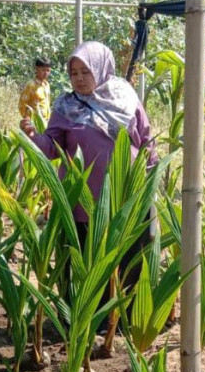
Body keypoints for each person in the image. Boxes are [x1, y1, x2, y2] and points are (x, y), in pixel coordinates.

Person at [20, 42, 157, 301]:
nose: (80, 79)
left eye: (86, 71)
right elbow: (52, 148)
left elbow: (146, 138)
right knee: (87, 260)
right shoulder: (65, 106)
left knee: (129, 257)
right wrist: (33, 136)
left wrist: (153, 174)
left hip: (127, 194)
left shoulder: (125, 96)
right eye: (74, 73)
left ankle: (123, 319)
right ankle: (88, 319)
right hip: (84, 201)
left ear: (101, 67)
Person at [18, 57, 52, 128]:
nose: (46, 73)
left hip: (45, 122)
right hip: (33, 123)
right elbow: (22, 104)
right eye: (43, 70)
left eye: (48, 70)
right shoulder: (31, 85)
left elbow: (47, 104)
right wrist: (27, 121)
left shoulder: (46, 85)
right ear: (36, 69)